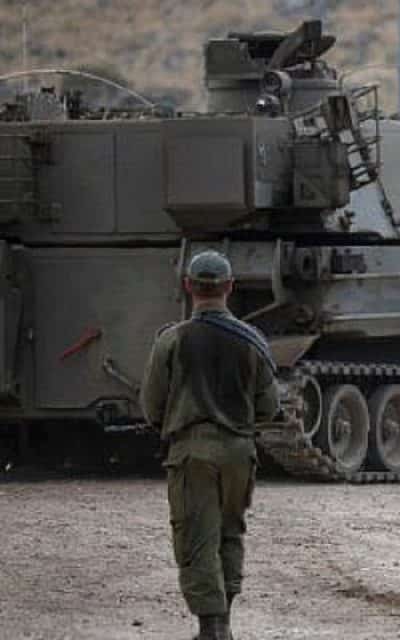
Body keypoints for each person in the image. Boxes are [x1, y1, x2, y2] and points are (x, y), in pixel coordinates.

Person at [141, 250, 280, 640]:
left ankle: (211, 627)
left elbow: (151, 403)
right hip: (239, 452)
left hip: (193, 451)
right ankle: (226, 620)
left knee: (195, 536)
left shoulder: (172, 339)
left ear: (188, 286)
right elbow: (270, 407)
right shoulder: (252, 341)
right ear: (229, 287)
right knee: (229, 533)